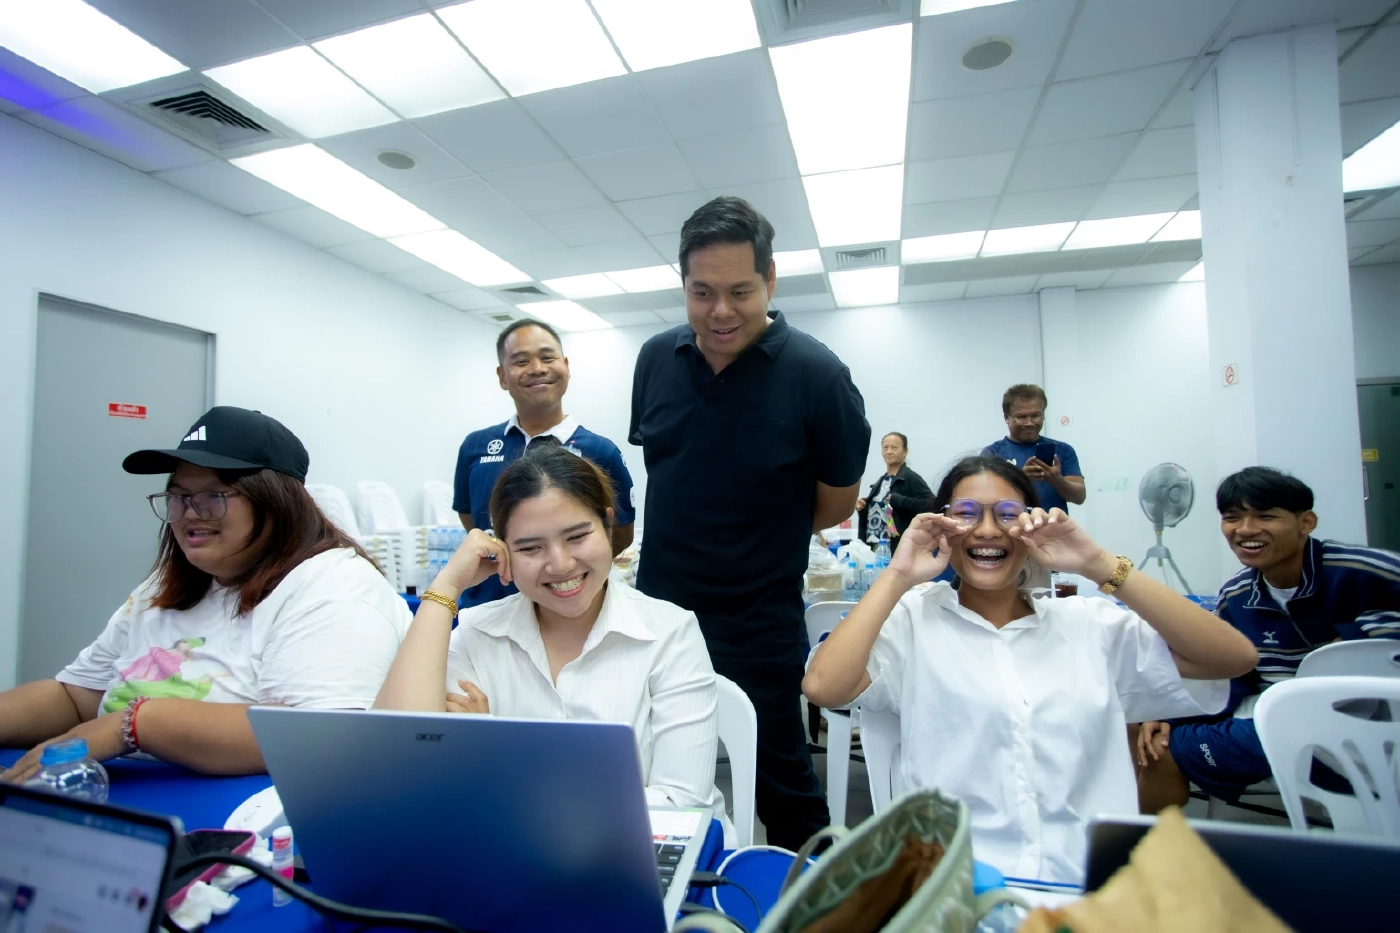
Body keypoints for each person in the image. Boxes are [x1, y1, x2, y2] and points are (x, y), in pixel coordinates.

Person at [802, 456, 1257, 883]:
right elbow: (824, 686)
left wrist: (1098, 564)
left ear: (1032, 526)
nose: (986, 531)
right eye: (965, 513)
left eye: (1006, 515)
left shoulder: (1087, 626)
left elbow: (1231, 658)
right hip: (962, 886)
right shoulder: (915, 623)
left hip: (1087, 886)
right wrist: (899, 573)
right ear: (942, 524)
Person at [629, 196, 870, 850]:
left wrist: (759, 537)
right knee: (641, 778)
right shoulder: (655, 359)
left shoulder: (817, 376)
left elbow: (836, 503)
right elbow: (669, 469)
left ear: (771, 279)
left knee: (783, 784)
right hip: (657, 614)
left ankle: (813, 904)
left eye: (740, 290)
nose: (721, 311)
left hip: (759, 620)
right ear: (683, 284)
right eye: (701, 292)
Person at [0, 407, 411, 783]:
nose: (190, 513)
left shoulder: (334, 587)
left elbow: (317, 737)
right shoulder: (165, 586)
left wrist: (134, 724)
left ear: (276, 502)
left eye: (214, 496)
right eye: (178, 497)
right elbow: (77, 698)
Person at [376, 443, 729, 837]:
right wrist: (447, 586)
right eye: (530, 548)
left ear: (609, 526)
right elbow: (397, 764)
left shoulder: (669, 633)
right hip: (516, 850)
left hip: (637, 851)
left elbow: (680, 808)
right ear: (501, 551)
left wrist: (495, 762)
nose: (560, 564)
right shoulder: (479, 633)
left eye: (577, 537)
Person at [1135, 467, 1400, 813]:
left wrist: (1355, 635)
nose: (1245, 530)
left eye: (1265, 516)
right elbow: (1233, 676)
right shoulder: (1237, 593)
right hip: (1279, 717)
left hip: (1369, 724)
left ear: (1306, 522)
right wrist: (1173, 712)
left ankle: (1137, 853)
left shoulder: (1367, 570)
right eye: (1232, 517)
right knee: (1151, 737)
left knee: (1163, 752)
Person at [453, 319, 636, 608]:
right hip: (488, 605)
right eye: (521, 361)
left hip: (567, 610)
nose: (537, 368)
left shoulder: (600, 451)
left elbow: (621, 534)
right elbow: (472, 519)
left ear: (565, 365)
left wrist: (565, 571)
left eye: (547, 357)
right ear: (502, 376)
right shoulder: (475, 447)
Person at [982, 384, 1085, 513]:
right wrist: (1021, 478)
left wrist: (1056, 479)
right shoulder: (992, 453)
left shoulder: (1063, 450)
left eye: (1036, 416)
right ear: (1006, 418)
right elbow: (984, 498)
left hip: (1053, 529)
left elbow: (1079, 497)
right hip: (1011, 529)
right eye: (1022, 417)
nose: (1030, 423)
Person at [855, 432, 934, 551]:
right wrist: (864, 507)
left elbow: (931, 504)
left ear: (905, 451)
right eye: (885, 447)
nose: (889, 451)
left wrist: (899, 500)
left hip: (894, 547)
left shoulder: (910, 478)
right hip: (873, 543)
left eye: (894, 447)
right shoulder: (882, 480)